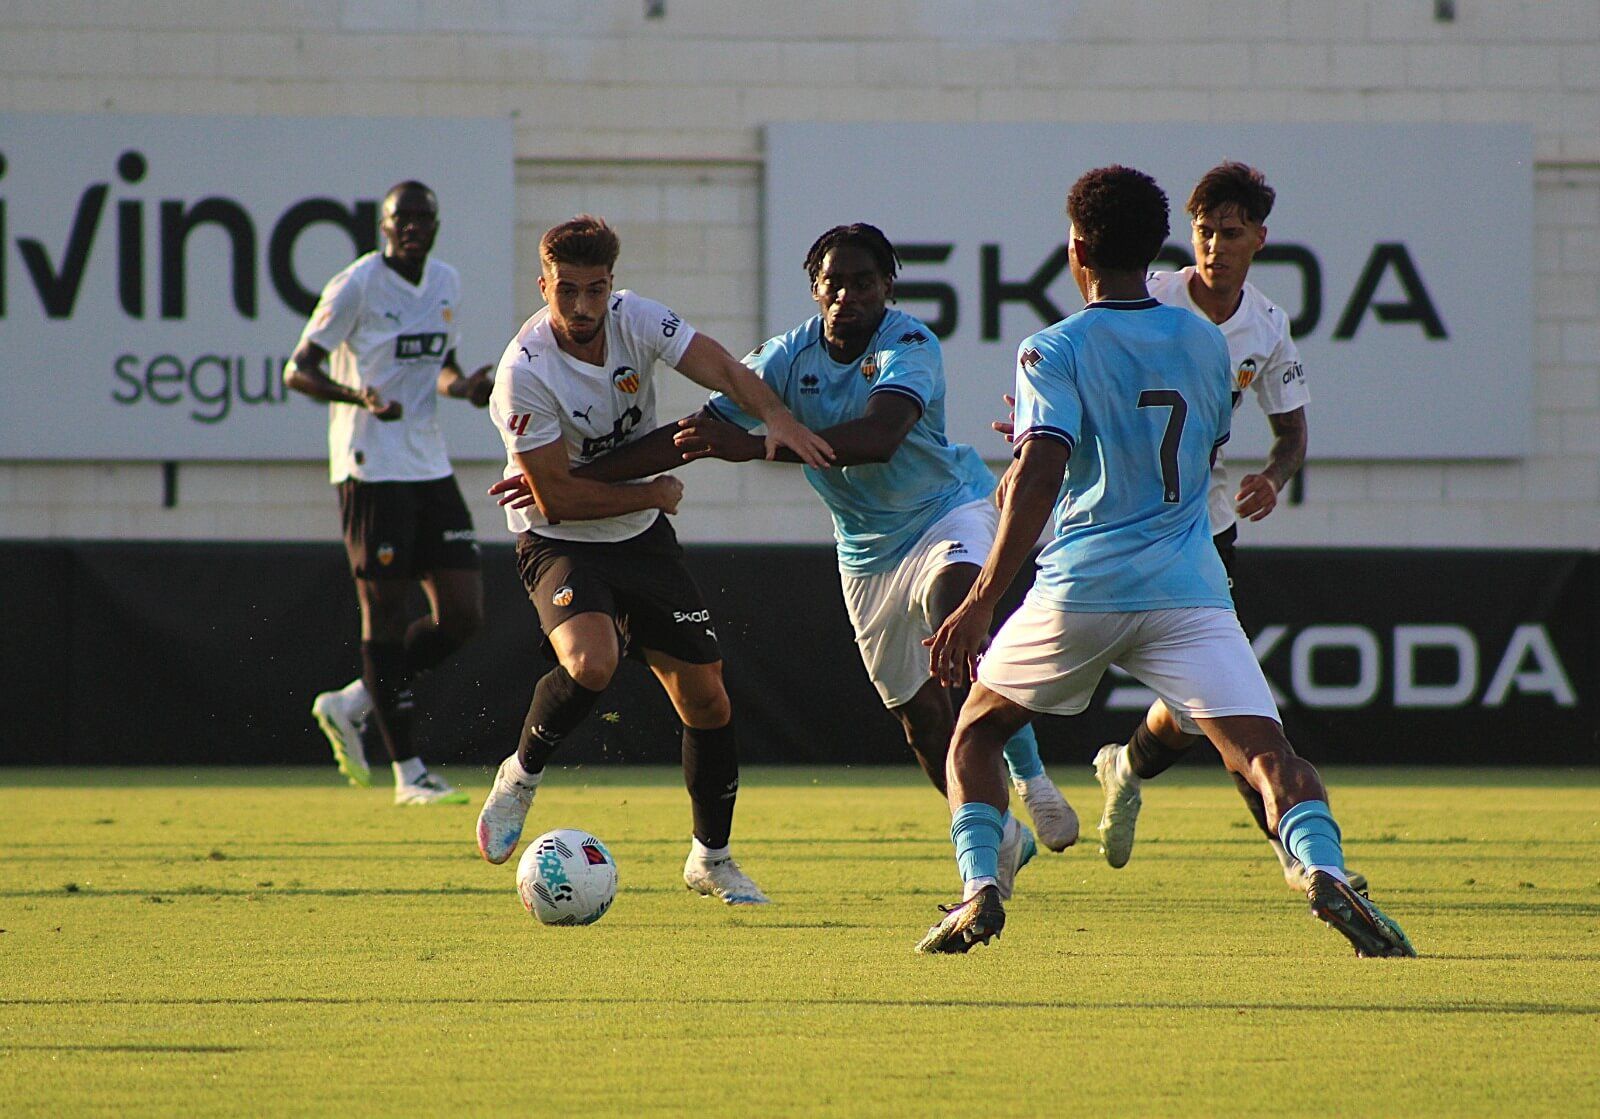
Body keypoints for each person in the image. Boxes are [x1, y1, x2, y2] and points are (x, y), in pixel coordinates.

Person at [493, 224, 1082, 897]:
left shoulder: (911, 343)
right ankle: (998, 834)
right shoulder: (787, 356)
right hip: (866, 551)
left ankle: (1031, 781)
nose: (848, 295)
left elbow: (879, 438)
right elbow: (695, 435)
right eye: (835, 283)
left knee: (955, 612)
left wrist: (752, 447)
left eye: (864, 282)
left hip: (946, 511)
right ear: (815, 288)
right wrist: (568, 478)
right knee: (921, 723)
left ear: (888, 287)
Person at [915, 166, 1413, 959]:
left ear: (1077, 250)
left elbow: (1041, 475)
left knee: (975, 731)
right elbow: (1188, 447)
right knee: (1267, 754)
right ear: (1160, 250)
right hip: (1189, 586)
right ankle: (1324, 867)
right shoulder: (1207, 343)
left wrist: (979, 599)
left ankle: (981, 886)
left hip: (1082, 586)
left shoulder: (1051, 347)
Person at [473, 215, 834, 905]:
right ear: (543, 286)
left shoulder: (637, 318)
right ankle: (519, 775)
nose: (582, 306)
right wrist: (655, 491)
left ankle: (711, 858)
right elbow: (556, 499)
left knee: (707, 697)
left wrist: (778, 418)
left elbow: (723, 368)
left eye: (596, 290)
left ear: (612, 284)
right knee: (592, 662)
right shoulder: (523, 373)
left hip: (639, 538)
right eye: (567, 290)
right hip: (560, 539)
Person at [1085, 162, 1364, 892]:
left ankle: (1128, 767)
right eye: (1204, 231)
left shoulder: (1266, 326)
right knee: (1222, 704)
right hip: (1116, 521)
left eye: (1230, 233)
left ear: (1259, 239)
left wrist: (1272, 477)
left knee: (1209, 706)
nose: (1214, 246)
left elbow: (1292, 436)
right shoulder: (1150, 294)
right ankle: (1296, 851)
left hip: (1201, 527)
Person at [285, 180, 492, 806]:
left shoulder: (446, 282)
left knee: (463, 614)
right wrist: (359, 396)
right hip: (370, 467)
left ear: (436, 226)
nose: (413, 228)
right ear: (384, 226)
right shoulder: (357, 284)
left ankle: (353, 701)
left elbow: (443, 366)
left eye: (423, 218)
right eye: (402, 219)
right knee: (387, 614)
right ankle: (409, 774)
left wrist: (466, 387)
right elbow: (298, 370)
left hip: (428, 463)